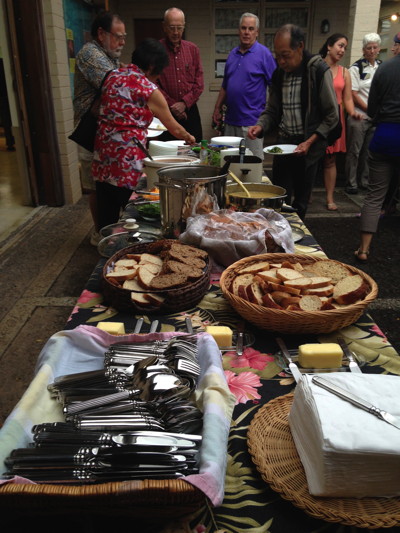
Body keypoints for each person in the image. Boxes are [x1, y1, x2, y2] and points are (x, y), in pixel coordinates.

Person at [92, 38, 195, 231]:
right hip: (126, 159)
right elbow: (174, 128)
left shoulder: (112, 76)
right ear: (151, 66)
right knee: (132, 215)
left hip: (103, 154)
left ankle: (105, 243)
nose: (159, 77)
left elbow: (99, 108)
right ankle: (128, 246)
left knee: (106, 209)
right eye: (160, 71)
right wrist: (190, 138)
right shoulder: (148, 89)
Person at [248, 24, 339, 220]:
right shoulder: (279, 74)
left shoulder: (317, 71)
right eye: (277, 56)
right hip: (284, 143)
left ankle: (295, 242)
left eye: (285, 55)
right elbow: (272, 110)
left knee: (300, 202)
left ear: (300, 47)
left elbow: (332, 115)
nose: (281, 61)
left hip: (308, 145)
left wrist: (310, 141)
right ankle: (279, 238)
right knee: (279, 197)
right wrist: (261, 125)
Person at [73, 10, 126, 245]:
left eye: (124, 37)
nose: (122, 42)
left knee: (108, 182)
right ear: (101, 33)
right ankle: (99, 234)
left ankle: (110, 226)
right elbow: (116, 85)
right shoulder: (89, 54)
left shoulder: (108, 55)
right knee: (96, 184)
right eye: (118, 36)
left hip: (107, 132)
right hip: (90, 129)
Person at [354, 38, 400, 263]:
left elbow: (372, 108)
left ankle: (363, 249)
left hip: (385, 135)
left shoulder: (385, 69)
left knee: (374, 196)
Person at [212, 13, 276, 160]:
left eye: (251, 28)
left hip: (252, 123)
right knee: (229, 163)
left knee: (252, 165)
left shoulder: (264, 54)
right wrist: (217, 108)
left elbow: (275, 87)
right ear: (238, 30)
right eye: (244, 28)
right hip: (230, 121)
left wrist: (270, 117)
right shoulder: (232, 54)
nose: (247, 32)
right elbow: (225, 85)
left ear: (257, 32)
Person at [319, 34, 363, 211]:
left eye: (345, 47)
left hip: (336, 120)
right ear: (329, 46)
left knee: (330, 160)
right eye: (340, 45)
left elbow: (347, 99)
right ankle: (304, 196)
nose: (342, 50)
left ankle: (329, 197)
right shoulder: (316, 67)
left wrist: (353, 113)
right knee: (311, 159)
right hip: (318, 118)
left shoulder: (345, 72)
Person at [156, 7, 204, 142]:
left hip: (190, 110)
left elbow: (199, 84)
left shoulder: (193, 49)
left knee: (195, 148)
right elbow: (153, 84)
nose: (176, 32)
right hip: (165, 111)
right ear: (164, 27)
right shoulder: (156, 50)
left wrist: (184, 103)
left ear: (184, 27)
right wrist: (173, 105)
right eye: (172, 28)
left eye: (179, 28)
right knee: (166, 153)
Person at [344, 33, 382, 195]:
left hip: (375, 117)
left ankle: (364, 181)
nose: (372, 51)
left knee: (369, 151)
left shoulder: (381, 66)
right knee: (355, 151)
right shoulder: (356, 68)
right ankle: (351, 182)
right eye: (369, 48)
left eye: (374, 47)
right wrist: (368, 109)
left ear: (379, 49)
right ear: (363, 50)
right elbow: (353, 93)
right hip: (358, 115)